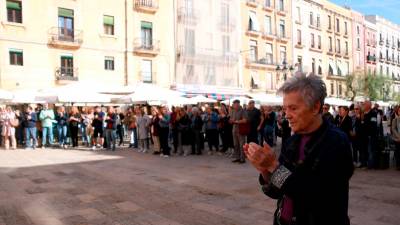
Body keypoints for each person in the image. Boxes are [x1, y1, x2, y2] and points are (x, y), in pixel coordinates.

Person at [244, 74, 353, 225]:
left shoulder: (336, 142)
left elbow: (315, 196)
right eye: (285, 109)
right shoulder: (292, 141)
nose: (286, 115)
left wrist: (273, 166)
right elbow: (277, 192)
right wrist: (264, 169)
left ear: (315, 107)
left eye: (293, 108)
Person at [229, 100, 247, 164]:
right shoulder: (233, 111)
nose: (234, 105)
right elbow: (231, 119)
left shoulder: (243, 111)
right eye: (233, 104)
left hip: (240, 130)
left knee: (241, 145)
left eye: (235, 104)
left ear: (238, 104)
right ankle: (237, 157)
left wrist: (236, 121)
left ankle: (242, 159)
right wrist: (231, 121)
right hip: (234, 129)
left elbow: (245, 120)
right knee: (235, 144)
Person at [362, 100, 378, 169]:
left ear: (368, 106)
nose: (363, 105)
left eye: (364, 104)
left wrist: (364, 122)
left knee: (370, 150)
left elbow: (373, 125)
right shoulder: (363, 113)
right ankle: (365, 163)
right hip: (364, 135)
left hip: (370, 135)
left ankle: (370, 165)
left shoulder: (373, 113)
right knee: (365, 150)